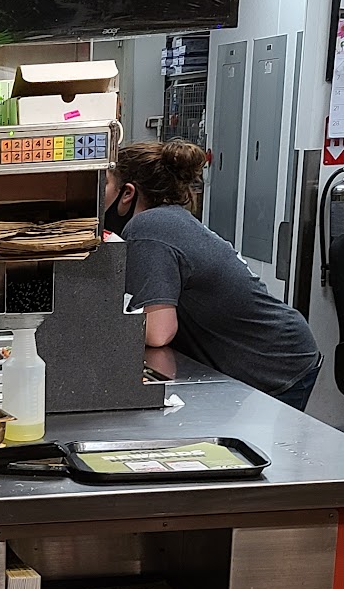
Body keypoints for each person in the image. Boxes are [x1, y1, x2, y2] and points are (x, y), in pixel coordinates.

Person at [104, 139, 323, 411]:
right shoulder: (167, 219)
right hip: (273, 348)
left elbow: (158, 332)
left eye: (106, 184)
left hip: (275, 360)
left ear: (128, 192)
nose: (99, 194)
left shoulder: (149, 227)